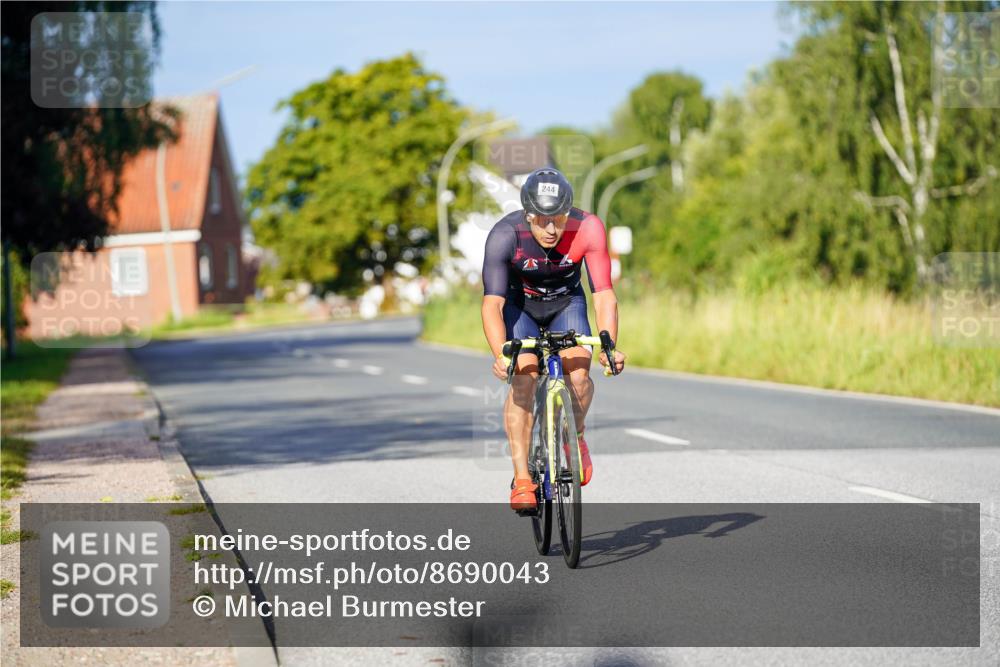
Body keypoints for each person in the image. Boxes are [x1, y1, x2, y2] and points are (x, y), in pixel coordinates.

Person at [480, 167, 626, 511]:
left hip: (566, 302)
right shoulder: (505, 234)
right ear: (528, 214)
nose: (550, 229)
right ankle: (523, 480)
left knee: (579, 376)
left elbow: (604, 295)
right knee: (524, 378)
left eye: (558, 219)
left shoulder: (588, 227)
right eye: (542, 220)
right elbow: (492, 305)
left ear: (568, 212)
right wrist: (502, 354)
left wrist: (608, 346)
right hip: (521, 307)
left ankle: (574, 437)